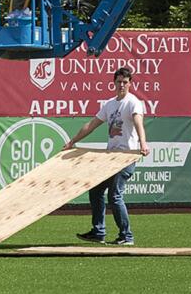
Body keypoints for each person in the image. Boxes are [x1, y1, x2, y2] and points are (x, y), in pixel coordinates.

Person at [63, 66, 149, 246]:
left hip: (126, 156)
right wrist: (72, 141)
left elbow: (138, 122)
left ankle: (126, 236)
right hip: (110, 158)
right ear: (114, 83)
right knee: (95, 191)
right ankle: (98, 231)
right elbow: (92, 125)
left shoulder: (133, 102)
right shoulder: (110, 104)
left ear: (130, 84)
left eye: (125, 82)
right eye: (119, 82)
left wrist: (143, 143)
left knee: (115, 196)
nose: (122, 85)